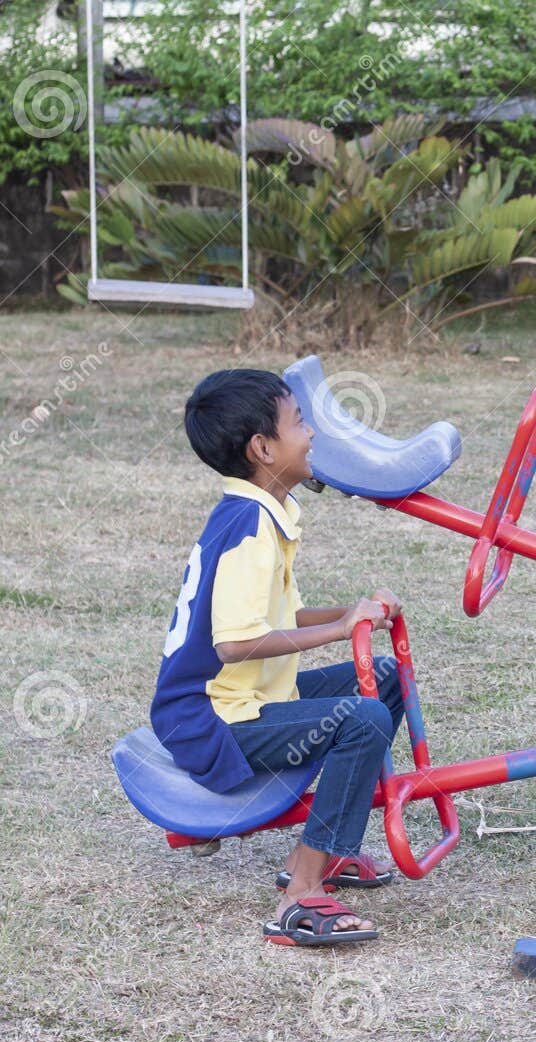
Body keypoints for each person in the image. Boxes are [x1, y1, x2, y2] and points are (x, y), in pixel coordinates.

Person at [150, 368, 405, 945]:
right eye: (298, 422)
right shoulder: (248, 528)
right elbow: (234, 644)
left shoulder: (259, 512)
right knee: (362, 721)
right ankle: (300, 901)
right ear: (263, 449)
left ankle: (313, 855)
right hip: (211, 720)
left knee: (382, 680)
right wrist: (342, 629)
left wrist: (354, 611)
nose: (311, 433)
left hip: (255, 698)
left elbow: (279, 621)